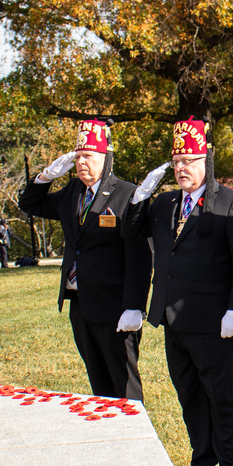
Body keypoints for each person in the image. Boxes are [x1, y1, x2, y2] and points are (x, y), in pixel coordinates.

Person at [122, 117, 233, 466]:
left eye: (190, 160)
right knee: (189, 396)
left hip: (212, 321)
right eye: (177, 161)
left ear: (206, 160)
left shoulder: (230, 202)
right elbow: (130, 232)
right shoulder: (164, 203)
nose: (183, 168)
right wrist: (139, 198)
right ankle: (202, 465)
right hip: (171, 318)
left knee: (220, 396)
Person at [19, 120, 152, 401]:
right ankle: (108, 431)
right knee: (99, 382)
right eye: (78, 157)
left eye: (88, 156)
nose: (81, 163)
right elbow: (30, 205)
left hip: (114, 305)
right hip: (80, 303)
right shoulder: (72, 193)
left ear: (105, 158)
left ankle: (133, 437)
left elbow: (140, 257)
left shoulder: (127, 194)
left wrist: (135, 307)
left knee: (123, 381)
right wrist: (44, 177)